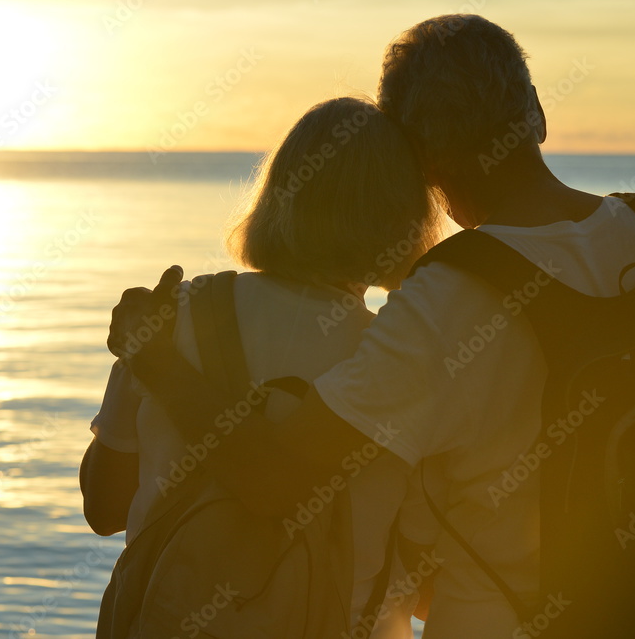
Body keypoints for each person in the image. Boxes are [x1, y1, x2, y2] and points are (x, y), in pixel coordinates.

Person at [107, 15, 635, 637]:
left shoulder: (447, 296)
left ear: (418, 160)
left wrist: (155, 362)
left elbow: (275, 479)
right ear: (538, 113)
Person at [82, 96, 445, 634]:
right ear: (407, 219)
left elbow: (105, 507)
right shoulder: (396, 359)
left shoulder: (170, 316)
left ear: (278, 196)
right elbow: (426, 590)